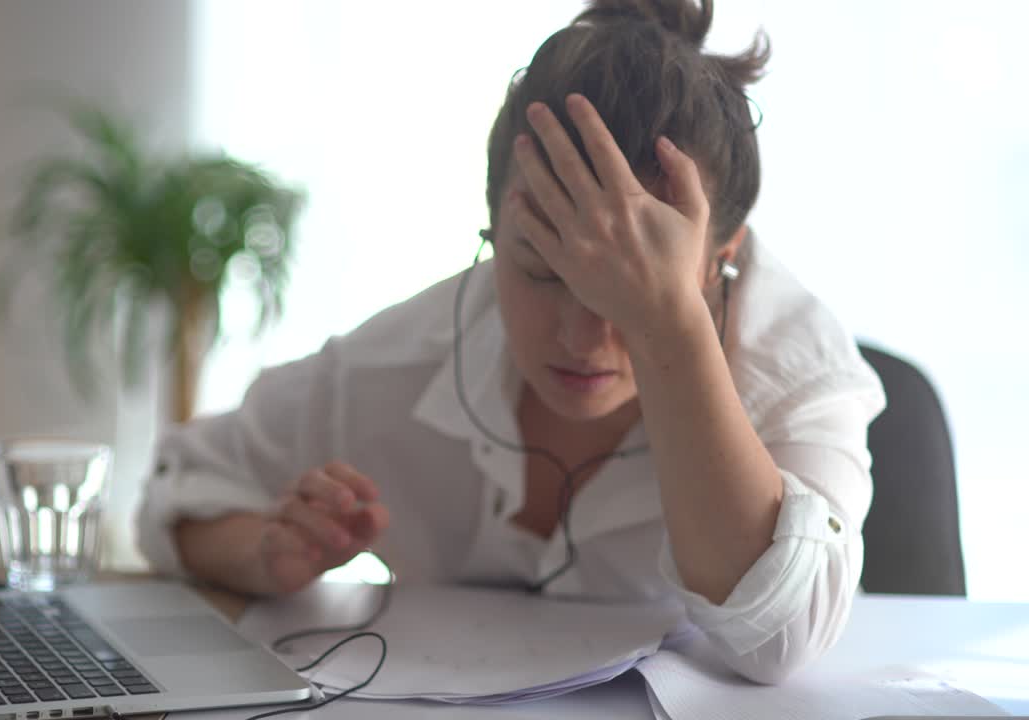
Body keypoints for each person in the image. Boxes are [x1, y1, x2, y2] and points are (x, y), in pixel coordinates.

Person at [135, 0, 885, 685]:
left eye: (632, 286)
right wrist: (267, 552)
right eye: (541, 270)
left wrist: (672, 329)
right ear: (492, 231)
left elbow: (780, 642)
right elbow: (175, 496)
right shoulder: (401, 359)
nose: (581, 337)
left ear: (724, 258)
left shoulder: (797, 368)